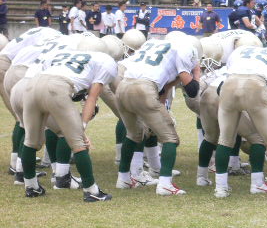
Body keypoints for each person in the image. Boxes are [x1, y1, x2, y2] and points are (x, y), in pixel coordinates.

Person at [21, 38, 118, 201]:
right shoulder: (105, 61)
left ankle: (31, 187)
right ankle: (91, 190)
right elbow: (92, 97)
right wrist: (82, 126)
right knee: (78, 143)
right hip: (57, 87)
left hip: (31, 84)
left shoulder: (66, 53)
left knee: (31, 141)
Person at [116, 35, 201, 195]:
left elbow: (163, 87)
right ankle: (165, 184)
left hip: (123, 86)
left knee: (133, 134)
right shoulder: (186, 49)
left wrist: (163, 102)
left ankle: (124, 178)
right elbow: (192, 90)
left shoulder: (154, 44)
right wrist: (196, 72)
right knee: (170, 138)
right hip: (144, 88)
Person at [215, 44, 267, 200]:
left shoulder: (240, 51)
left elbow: (219, 88)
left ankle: (220, 188)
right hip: (255, 85)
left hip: (228, 86)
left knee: (225, 140)